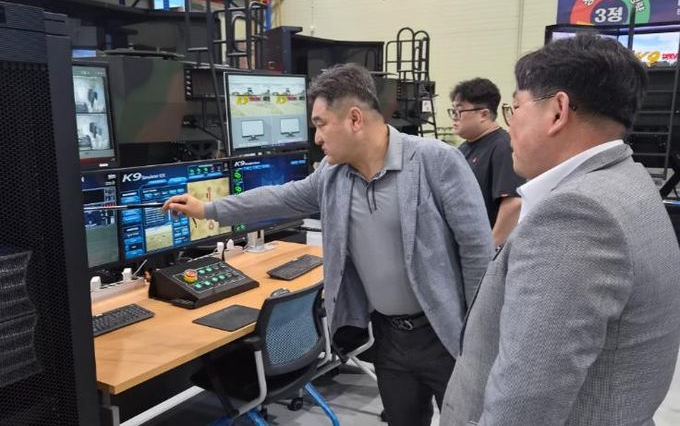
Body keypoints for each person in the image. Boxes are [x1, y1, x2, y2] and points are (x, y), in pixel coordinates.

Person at [163, 64, 494, 426]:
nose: (317, 138)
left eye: (321, 125)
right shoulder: (333, 175)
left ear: (354, 119)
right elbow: (279, 198)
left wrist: (478, 334)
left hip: (445, 332)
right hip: (389, 337)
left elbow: (477, 251)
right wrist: (208, 209)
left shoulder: (435, 161)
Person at [440, 34, 680, 425]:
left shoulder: (577, 215)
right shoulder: (629, 180)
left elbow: (524, 402)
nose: (510, 125)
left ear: (558, 110)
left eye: (515, 108)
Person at [449, 78, 524, 246]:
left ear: (484, 114)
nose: (454, 118)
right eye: (452, 111)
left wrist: (490, 249)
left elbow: (513, 204)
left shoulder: (503, 147)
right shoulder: (464, 149)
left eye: (459, 112)